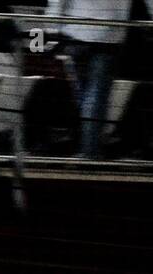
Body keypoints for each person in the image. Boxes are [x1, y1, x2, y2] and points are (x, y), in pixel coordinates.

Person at [46, 0, 134, 157]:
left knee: (86, 95)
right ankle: (90, 149)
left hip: (77, 30)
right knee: (95, 96)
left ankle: (90, 146)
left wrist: (51, 29)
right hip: (109, 33)